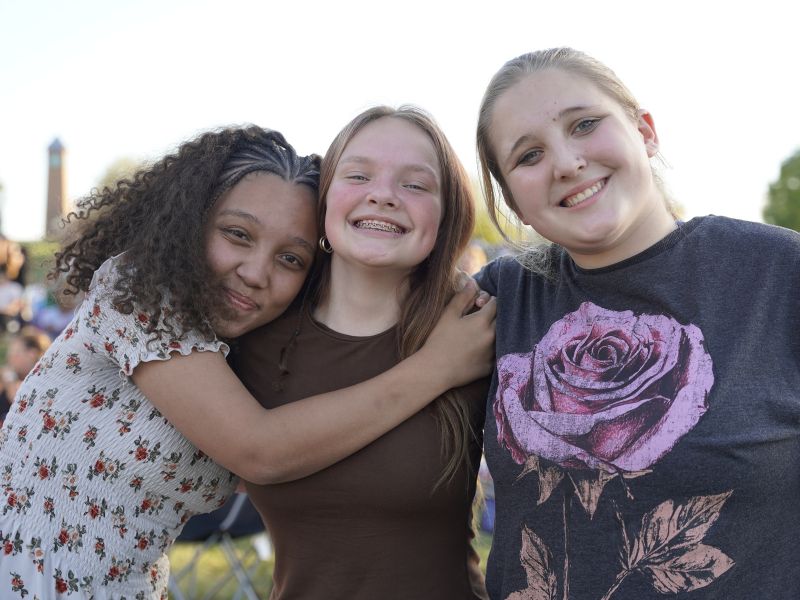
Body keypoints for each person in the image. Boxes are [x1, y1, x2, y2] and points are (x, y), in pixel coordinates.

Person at [0, 125, 495, 599]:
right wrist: (438, 367)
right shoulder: (136, 293)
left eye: (290, 259)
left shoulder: (253, 353)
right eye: (237, 234)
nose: (256, 272)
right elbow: (260, 451)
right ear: (188, 221)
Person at [473, 47, 800, 600]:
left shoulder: (778, 275)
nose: (567, 162)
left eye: (585, 124)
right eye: (529, 156)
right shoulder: (498, 302)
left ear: (645, 132)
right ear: (515, 203)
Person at [236, 105, 493, 599]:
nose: (382, 195)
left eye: (415, 185)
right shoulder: (255, 334)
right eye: (358, 175)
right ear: (325, 196)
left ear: (448, 213)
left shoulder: (477, 327)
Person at [0, 325, 51, 423]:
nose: (10, 358)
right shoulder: (12, 376)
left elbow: (20, 403)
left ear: (31, 354)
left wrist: (9, 379)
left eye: (16, 353)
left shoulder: (40, 381)